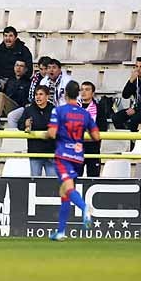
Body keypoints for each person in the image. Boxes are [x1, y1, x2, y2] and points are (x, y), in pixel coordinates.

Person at [46, 80, 96, 241]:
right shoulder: (85, 114)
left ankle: (84, 207)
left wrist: (53, 133)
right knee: (64, 192)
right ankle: (60, 231)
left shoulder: (59, 111)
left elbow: (52, 134)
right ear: (79, 94)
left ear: (65, 94)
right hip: (78, 156)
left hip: (63, 155)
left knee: (67, 188)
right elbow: (96, 136)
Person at [21, 85, 56, 177]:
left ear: (47, 96)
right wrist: (25, 124)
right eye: (36, 94)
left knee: (52, 183)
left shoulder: (54, 110)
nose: (38, 97)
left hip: (51, 153)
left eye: (41, 94)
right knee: (35, 181)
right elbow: (19, 125)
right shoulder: (28, 110)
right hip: (35, 152)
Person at [78, 81, 102, 177]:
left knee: (93, 177)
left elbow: (103, 127)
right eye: (82, 89)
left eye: (87, 89)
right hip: (77, 148)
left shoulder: (99, 108)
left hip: (93, 148)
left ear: (93, 93)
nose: (83, 92)